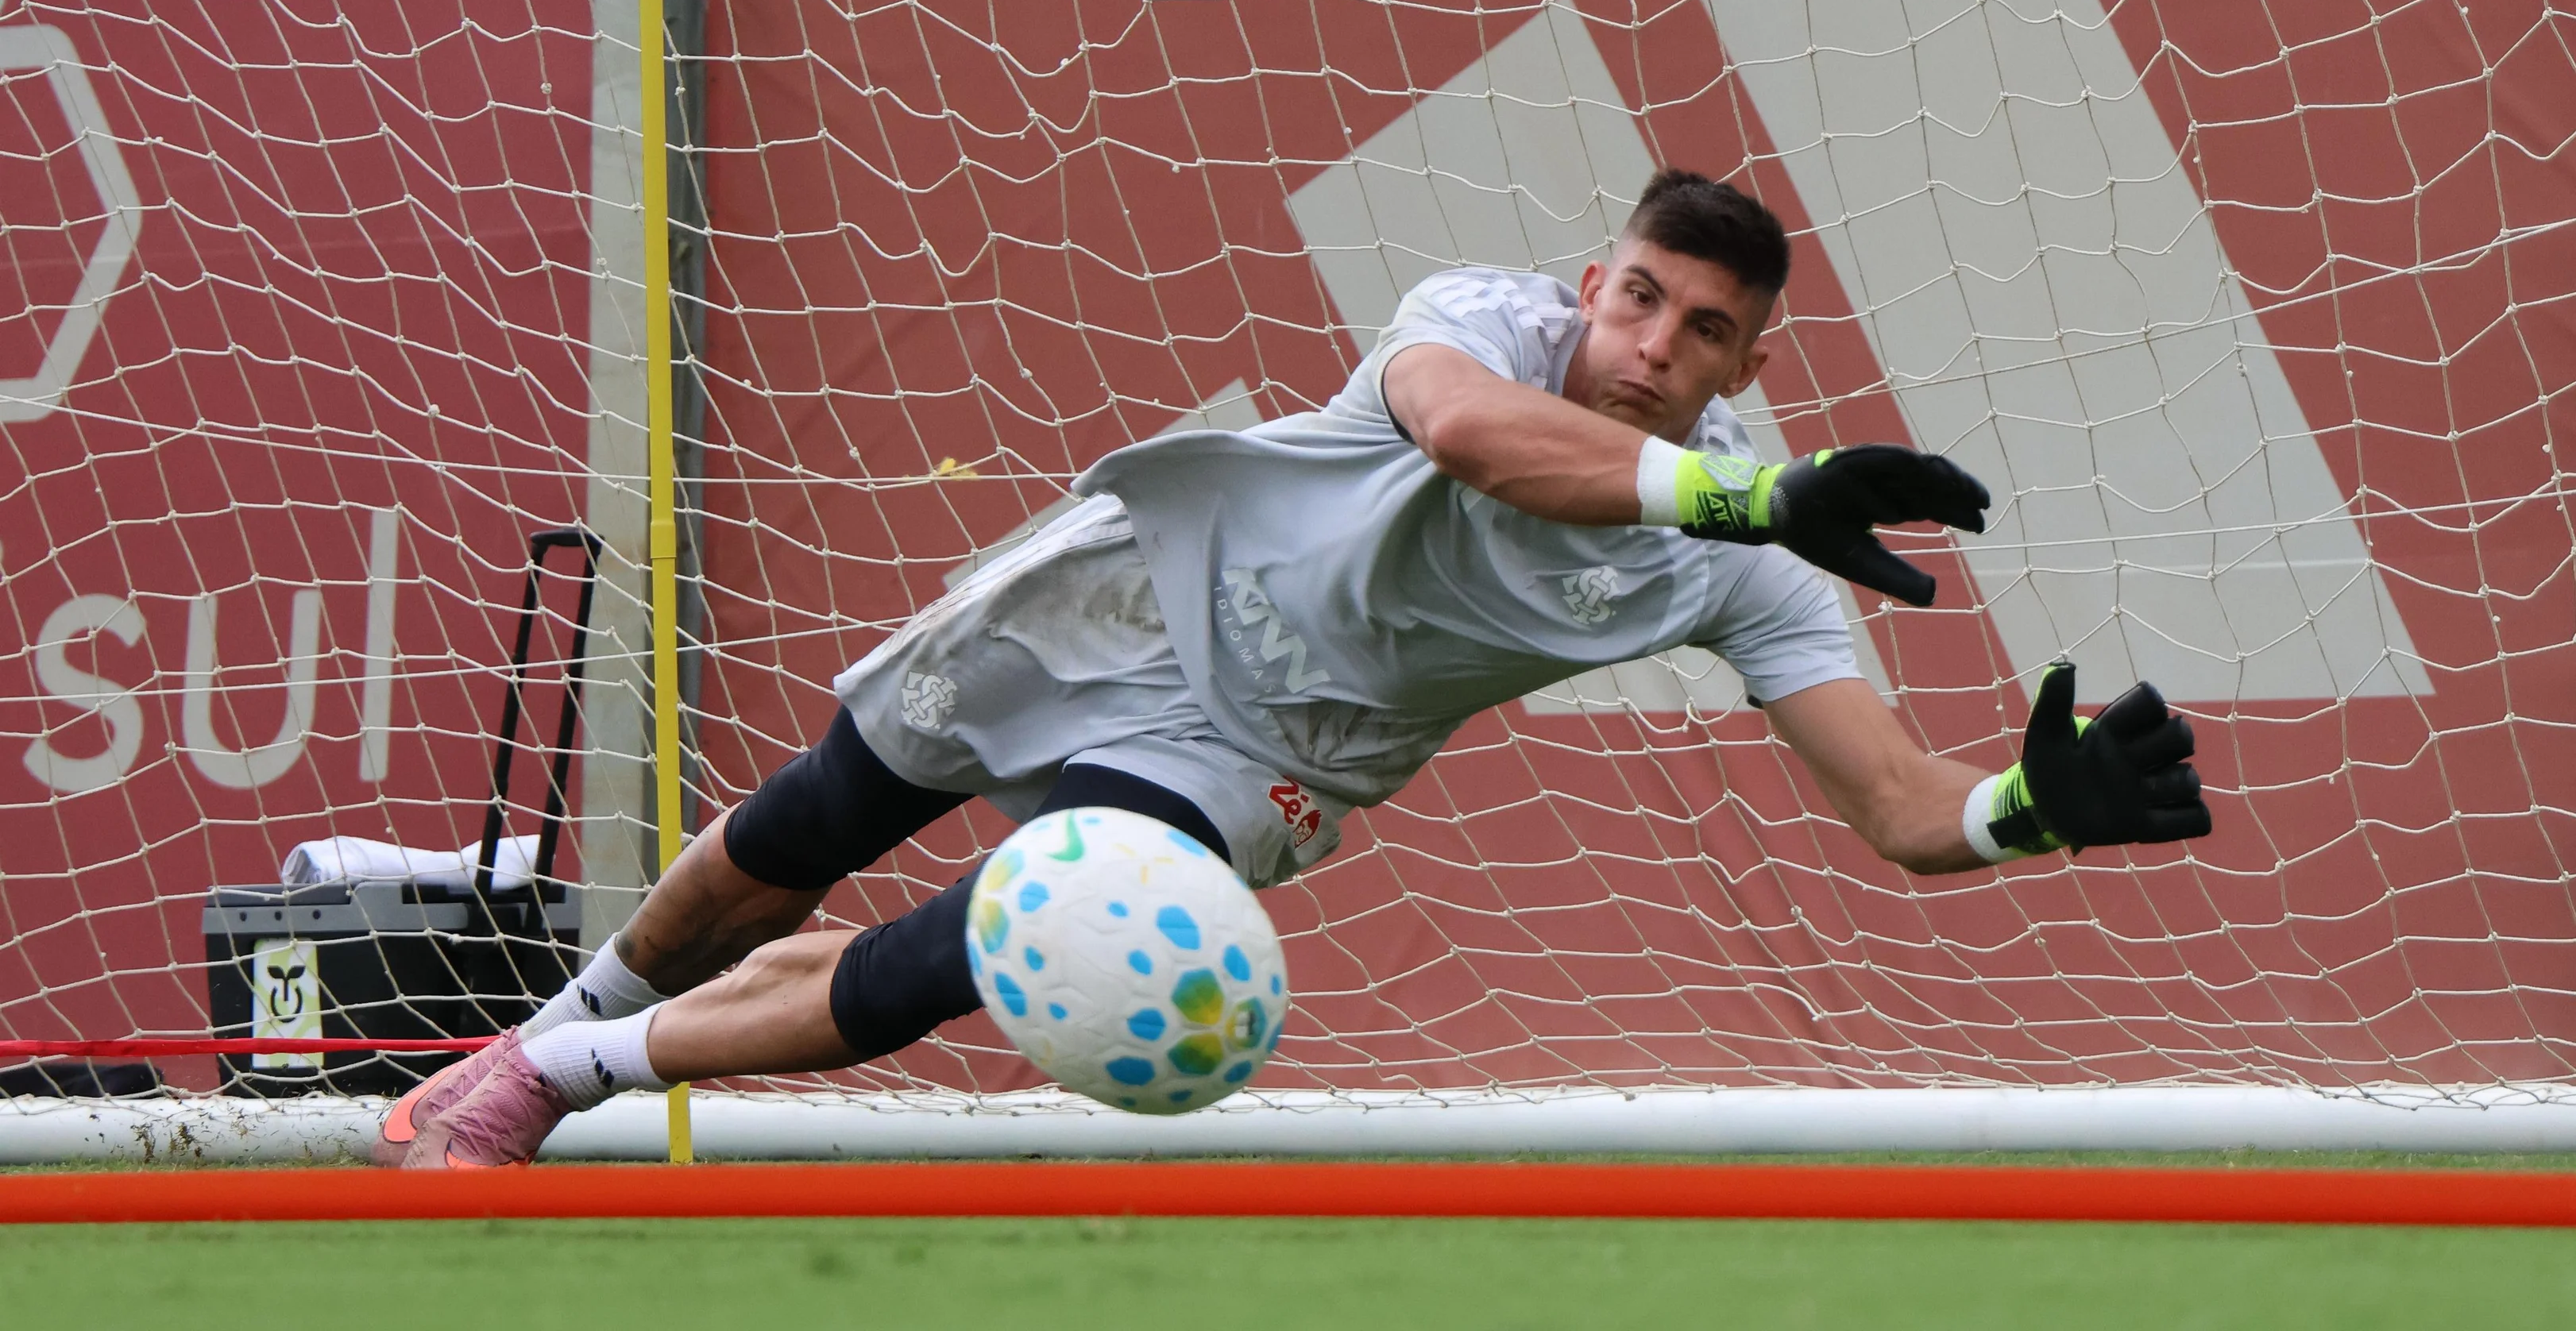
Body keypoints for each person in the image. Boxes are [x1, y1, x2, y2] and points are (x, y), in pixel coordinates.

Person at [377, 169, 2209, 1168]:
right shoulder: (1486, 324)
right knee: (804, 825)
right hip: (1124, 594)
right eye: (1640, 297)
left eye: (1706, 333)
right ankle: (507, 1054)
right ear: (1593, 282)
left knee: (998, 938)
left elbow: (1900, 811)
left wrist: (2025, 808)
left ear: (1743, 361)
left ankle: (556, 1086)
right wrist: (1761, 490)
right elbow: (1479, 440)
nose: (1653, 344)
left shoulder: (1752, 559)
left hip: (1263, 752)